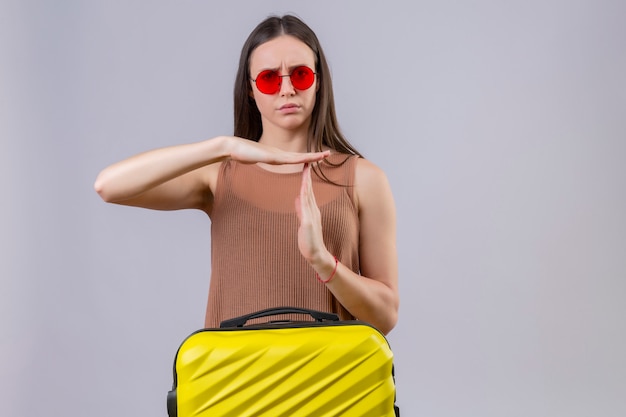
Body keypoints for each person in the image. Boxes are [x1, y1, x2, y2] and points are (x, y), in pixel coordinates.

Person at [94, 14, 399, 335]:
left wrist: (323, 262)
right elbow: (109, 186)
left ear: (319, 80)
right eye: (269, 78)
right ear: (250, 90)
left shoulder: (363, 179)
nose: (286, 89)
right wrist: (222, 146)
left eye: (300, 75)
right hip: (235, 380)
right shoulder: (218, 175)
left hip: (328, 380)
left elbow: (385, 316)